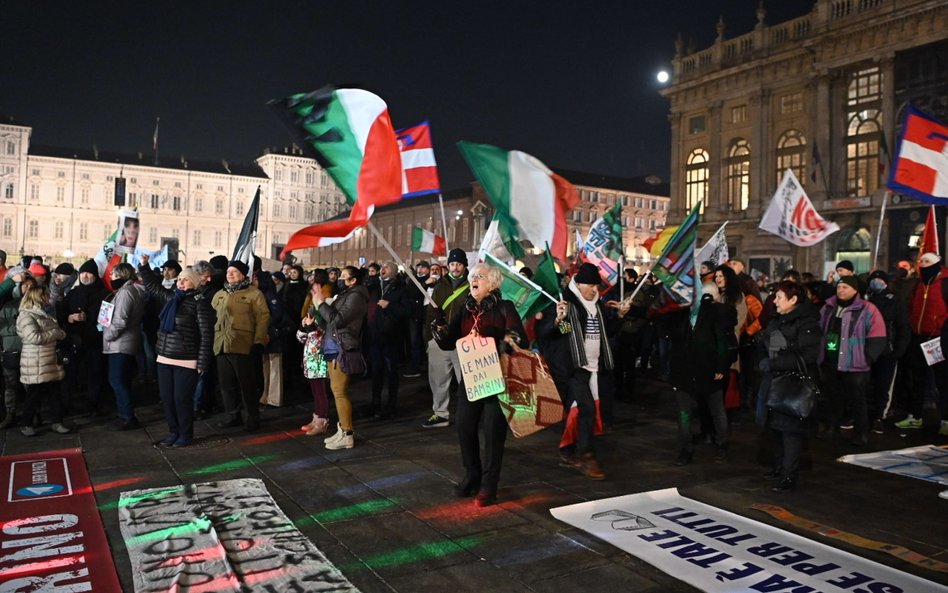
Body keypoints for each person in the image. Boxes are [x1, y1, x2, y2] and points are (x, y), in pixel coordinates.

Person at [433, 262, 527, 506]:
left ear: (493, 283)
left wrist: (499, 340)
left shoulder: (504, 308)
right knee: (464, 426)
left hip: (497, 380)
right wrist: (439, 330)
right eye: (472, 275)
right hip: (471, 378)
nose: (473, 279)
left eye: (479, 276)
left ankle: (489, 484)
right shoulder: (465, 310)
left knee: (494, 433)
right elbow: (449, 340)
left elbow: (520, 339)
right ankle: (472, 474)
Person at [537, 263, 617, 479]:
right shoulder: (564, 302)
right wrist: (557, 320)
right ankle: (587, 456)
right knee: (587, 408)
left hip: (594, 367)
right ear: (579, 284)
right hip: (573, 368)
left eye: (596, 285)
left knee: (577, 412)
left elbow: (606, 333)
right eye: (590, 285)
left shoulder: (598, 305)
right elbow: (543, 334)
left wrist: (620, 316)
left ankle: (567, 450)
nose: (594, 289)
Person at [140, 257, 214, 447]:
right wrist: (144, 266)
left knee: (181, 399)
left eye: (185, 279)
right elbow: (153, 287)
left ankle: (185, 434)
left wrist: (202, 362)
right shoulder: (172, 298)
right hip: (164, 357)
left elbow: (206, 334)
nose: (180, 282)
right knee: (167, 398)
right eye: (179, 279)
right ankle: (173, 432)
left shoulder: (200, 303)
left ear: (195, 283)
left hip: (186, 359)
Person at [758, 281, 821, 491]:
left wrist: (775, 363)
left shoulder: (807, 323)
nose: (774, 301)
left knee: (790, 432)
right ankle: (779, 466)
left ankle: (789, 476)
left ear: (793, 300)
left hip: (792, 385)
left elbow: (809, 356)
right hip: (773, 381)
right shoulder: (777, 320)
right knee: (773, 428)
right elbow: (766, 343)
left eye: (779, 297)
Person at [667, 282, 736, 465]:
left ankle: (721, 445)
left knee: (717, 411)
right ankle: (686, 448)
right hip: (684, 371)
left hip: (708, 369)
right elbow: (657, 318)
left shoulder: (712, 312)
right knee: (684, 413)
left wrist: (721, 367)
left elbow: (720, 340)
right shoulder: (678, 313)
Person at [817, 276, 887, 445]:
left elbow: (877, 335)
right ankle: (832, 427)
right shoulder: (828, 307)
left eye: (845, 287)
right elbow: (819, 330)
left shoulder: (868, 309)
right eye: (839, 287)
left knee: (858, 400)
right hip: (831, 360)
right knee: (833, 397)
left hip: (855, 363)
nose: (841, 290)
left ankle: (860, 433)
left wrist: (867, 357)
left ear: (855, 290)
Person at [313, 265, 369, 450]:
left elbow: (337, 321)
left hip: (342, 347)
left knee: (339, 391)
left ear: (354, 281)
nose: (339, 280)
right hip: (333, 346)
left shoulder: (356, 296)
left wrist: (321, 303)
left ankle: (347, 434)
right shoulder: (346, 294)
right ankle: (342, 429)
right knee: (336, 390)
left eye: (344, 277)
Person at [212, 260, 270, 431]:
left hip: (243, 345)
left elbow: (263, 318)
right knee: (226, 384)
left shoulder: (254, 294)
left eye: (235, 271)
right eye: (228, 271)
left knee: (246, 385)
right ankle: (233, 415)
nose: (230, 274)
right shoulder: (220, 294)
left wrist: (259, 341)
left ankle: (252, 416)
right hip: (222, 344)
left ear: (244, 275)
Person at [896, 252, 948, 431]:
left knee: (942, 380)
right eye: (921, 261)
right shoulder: (918, 283)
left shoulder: (945, 283)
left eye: (927, 261)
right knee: (916, 378)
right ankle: (915, 416)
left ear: (936, 264)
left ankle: (945, 420)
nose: (923, 264)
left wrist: (941, 327)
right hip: (917, 337)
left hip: (937, 339)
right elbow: (911, 306)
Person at [422, 248, 469, 428]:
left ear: (464, 265)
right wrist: (429, 339)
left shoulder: (472, 284)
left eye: (458, 264)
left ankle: (468, 415)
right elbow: (430, 313)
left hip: (461, 341)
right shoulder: (440, 285)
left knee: (465, 382)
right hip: (439, 340)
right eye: (452, 264)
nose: (455, 268)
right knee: (438, 380)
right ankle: (440, 414)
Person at [16, 285, 71, 436]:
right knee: (34, 394)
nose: (48, 297)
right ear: (38, 296)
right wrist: (55, 333)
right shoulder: (27, 315)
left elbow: (59, 333)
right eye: (46, 294)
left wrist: (58, 333)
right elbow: (34, 337)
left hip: (50, 359)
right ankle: (26, 423)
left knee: (55, 393)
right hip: (35, 361)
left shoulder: (45, 313)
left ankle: (57, 422)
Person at [60, 259, 109, 417]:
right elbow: (61, 311)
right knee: (72, 375)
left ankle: (94, 404)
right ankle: (69, 404)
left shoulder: (104, 294)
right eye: (82, 273)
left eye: (88, 273)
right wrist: (69, 318)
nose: (85, 276)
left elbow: (106, 319)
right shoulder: (74, 293)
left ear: (95, 275)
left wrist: (88, 317)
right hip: (74, 341)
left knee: (94, 374)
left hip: (94, 342)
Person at [103, 263, 147, 430]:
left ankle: (127, 416)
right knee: (122, 380)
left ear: (121, 275)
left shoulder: (126, 292)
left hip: (120, 343)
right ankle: (124, 413)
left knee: (116, 380)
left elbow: (121, 320)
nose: (111, 277)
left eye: (113, 274)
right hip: (125, 341)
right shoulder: (129, 291)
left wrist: (108, 335)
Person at [864, 270, 910, 433]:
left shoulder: (894, 301)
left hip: (886, 351)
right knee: (864, 384)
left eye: (879, 279)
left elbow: (902, 327)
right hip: (865, 349)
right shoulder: (864, 299)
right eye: (873, 279)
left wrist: (898, 350)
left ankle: (878, 417)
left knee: (883, 386)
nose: (875, 282)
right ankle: (861, 416)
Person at [367, 261, 408, 419]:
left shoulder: (400, 288)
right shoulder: (376, 287)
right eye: (382, 267)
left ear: (394, 272)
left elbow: (407, 311)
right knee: (376, 370)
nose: (383, 269)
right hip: (376, 335)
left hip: (392, 336)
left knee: (391, 371)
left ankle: (391, 404)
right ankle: (375, 401)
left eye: (387, 267)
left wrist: (389, 305)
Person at [297, 272, 332, 436]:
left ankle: (322, 420)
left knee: (320, 388)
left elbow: (325, 327)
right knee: (314, 387)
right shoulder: (313, 305)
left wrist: (311, 326)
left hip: (320, 350)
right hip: (311, 349)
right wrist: (305, 326)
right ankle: (316, 416)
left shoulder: (327, 304)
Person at [0, 271, 33, 429]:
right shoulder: (8, 306)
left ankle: (32, 415)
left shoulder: (37, 305)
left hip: (31, 352)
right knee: (10, 385)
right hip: (10, 351)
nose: (27, 289)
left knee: (30, 385)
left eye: (30, 286)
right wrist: (20, 328)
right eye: (24, 285)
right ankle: (10, 413)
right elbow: (3, 328)